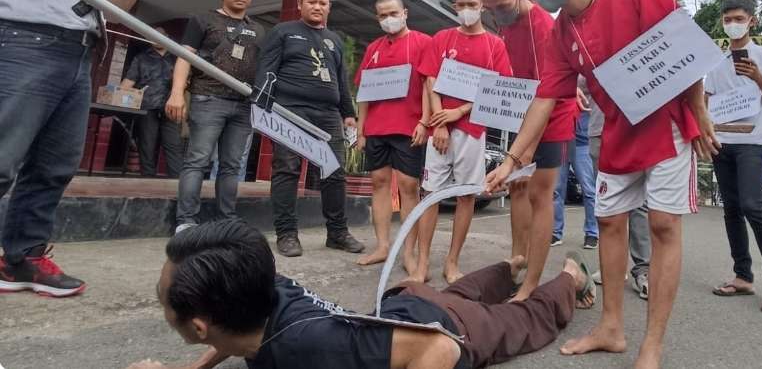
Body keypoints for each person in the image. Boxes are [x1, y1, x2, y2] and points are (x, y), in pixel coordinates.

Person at [487, 0, 719, 368]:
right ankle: (611, 328)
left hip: (665, 124)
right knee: (609, 222)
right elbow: (545, 100)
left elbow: (683, 44)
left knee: (663, 224)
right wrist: (511, 160)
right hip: (616, 133)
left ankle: (652, 344)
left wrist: (699, 110)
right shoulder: (561, 33)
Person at [125, 219, 594, 369]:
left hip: (440, 329)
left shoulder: (312, 350)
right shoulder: (255, 293)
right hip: (405, 302)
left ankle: (570, 276)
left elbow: (439, 349)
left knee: (526, 320)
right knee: (458, 291)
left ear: (199, 325)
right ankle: (506, 268)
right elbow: (225, 337)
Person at [0, 0, 160, 297]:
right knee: (3, 156)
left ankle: (22, 257)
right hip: (23, 40)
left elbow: (112, 8)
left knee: (55, 165)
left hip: (79, 51)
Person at [478, 0, 577, 301]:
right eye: (488, 10)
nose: (497, 16)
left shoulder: (542, 28)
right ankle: (517, 259)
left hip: (554, 112)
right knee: (516, 188)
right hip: (525, 110)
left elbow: (546, 96)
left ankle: (532, 282)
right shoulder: (503, 22)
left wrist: (524, 150)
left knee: (539, 194)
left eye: (502, 7)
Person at [412, 0, 513, 284]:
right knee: (430, 195)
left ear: (482, 5)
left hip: (473, 130)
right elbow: (431, 81)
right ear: (454, 7)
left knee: (467, 195)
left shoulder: (495, 45)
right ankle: (422, 264)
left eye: (472, 4)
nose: (466, 10)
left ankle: (452, 262)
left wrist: (460, 112)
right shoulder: (442, 38)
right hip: (439, 132)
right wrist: (439, 122)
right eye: (460, 5)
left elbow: (497, 89)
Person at [254, 0, 364, 257]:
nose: (317, 7)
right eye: (312, 2)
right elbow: (265, 71)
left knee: (334, 173)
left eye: (323, 3)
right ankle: (287, 234)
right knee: (287, 170)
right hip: (289, 110)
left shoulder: (334, 39)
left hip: (327, 115)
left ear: (329, 7)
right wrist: (262, 105)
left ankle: (337, 233)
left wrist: (348, 114)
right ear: (300, 4)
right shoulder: (282, 32)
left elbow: (341, 81)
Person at [704, 0, 762, 314]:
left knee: (753, 207)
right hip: (721, 141)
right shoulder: (714, 61)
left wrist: (757, 77)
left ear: (752, 20)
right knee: (731, 209)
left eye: (738, 18)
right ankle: (742, 275)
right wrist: (705, 135)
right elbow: (706, 101)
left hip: (753, 142)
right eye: (727, 19)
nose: (732, 24)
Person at [166, 0, 262, 234]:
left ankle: (226, 219)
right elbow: (184, 57)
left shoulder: (258, 30)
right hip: (208, 98)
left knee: (232, 165)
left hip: (243, 106)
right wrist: (177, 92)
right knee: (197, 160)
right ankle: (185, 221)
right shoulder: (202, 19)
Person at [353, 0, 432, 270]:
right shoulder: (373, 47)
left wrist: (425, 121)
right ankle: (383, 246)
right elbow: (364, 91)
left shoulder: (423, 42)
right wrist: (361, 130)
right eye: (383, 15)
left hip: (408, 127)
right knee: (379, 183)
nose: (389, 19)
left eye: (393, 13)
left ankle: (408, 252)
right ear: (378, 18)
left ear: (405, 12)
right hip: (376, 128)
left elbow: (429, 86)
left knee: (410, 187)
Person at [586, 82, 651, 301]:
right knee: (607, 204)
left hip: (636, 125)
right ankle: (614, 267)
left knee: (639, 203)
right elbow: (579, 81)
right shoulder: (589, 48)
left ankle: (643, 270)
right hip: (599, 129)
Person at [121, 27, 183, 177]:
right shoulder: (141, 58)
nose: (156, 39)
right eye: (152, 36)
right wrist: (125, 95)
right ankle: (147, 182)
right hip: (147, 107)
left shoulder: (177, 58)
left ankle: (177, 185)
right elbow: (125, 85)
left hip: (171, 107)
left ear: (166, 37)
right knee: (147, 147)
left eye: (160, 36)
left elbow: (186, 82)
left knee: (174, 146)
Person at [552, 107, 598, 250]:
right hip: (562, 140)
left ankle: (592, 233)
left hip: (582, 143)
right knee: (556, 190)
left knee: (589, 190)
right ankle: (555, 232)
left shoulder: (588, 86)